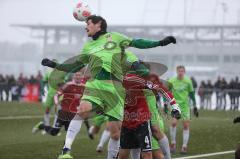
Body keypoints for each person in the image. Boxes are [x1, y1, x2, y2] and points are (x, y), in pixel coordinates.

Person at [41, 15, 177, 159]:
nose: (85, 26)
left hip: (116, 90)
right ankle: (66, 151)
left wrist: (160, 43)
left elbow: (137, 42)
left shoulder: (115, 37)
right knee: (82, 111)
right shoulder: (88, 46)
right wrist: (55, 65)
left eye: (88, 23)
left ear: (98, 24)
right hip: (96, 85)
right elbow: (75, 66)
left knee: (115, 133)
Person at [32, 72, 88, 136]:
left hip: (73, 113)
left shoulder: (84, 87)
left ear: (82, 77)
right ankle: (41, 126)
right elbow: (56, 95)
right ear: (73, 77)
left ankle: (66, 146)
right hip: (63, 112)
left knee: (70, 133)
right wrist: (56, 102)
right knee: (54, 132)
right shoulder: (68, 85)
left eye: (79, 75)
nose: (78, 77)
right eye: (76, 75)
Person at [168, 65, 198, 154]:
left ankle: (184, 146)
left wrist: (195, 105)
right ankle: (173, 144)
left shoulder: (188, 81)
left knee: (186, 126)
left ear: (184, 72)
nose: (180, 73)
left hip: (185, 107)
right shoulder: (172, 81)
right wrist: (166, 104)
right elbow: (167, 92)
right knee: (173, 123)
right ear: (176, 71)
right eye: (179, 71)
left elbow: (192, 94)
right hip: (175, 106)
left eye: (182, 71)